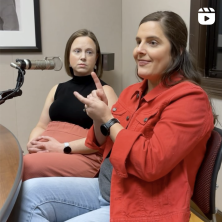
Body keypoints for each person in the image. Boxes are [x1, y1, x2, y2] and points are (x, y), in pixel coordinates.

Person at [9, 11, 214, 222]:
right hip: (109, 186)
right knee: (27, 193)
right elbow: (98, 141)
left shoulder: (190, 99)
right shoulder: (132, 92)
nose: (139, 50)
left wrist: (108, 119)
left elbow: (150, 162)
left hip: (143, 203)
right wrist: (99, 119)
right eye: (138, 42)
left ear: (177, 51)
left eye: (152, 42)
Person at [22, 29, 118, 181]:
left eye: (89, 52)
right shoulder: (57, 89)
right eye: (77, 51)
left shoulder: (106, 92)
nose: (83, 57)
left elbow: (109, 137)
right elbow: (41, 125)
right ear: (68, 57)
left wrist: (62, 147)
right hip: (49, 151)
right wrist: (33, 143)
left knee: (25, 165)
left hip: (82, 155)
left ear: (96, 58)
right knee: (13, 164)